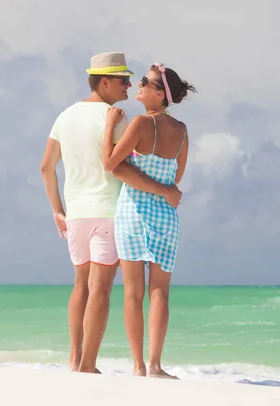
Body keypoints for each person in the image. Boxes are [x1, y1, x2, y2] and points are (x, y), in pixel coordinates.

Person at [40, 52, 182, 374]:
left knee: (80, 286)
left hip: (75, 213)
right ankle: (88, 365)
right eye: (123, 80)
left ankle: (75, 359)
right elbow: (122, 167)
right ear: (104, 82)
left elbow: (46, 166)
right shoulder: (116, 118)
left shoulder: (65, 116)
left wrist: (57, 211)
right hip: (108, 211)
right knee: (100, 289)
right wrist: (164, 190)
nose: (130, 85)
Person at [102, 63, 196, 378]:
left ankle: (138, 366)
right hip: (167, 216)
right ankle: (156, 365)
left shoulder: (141, 123)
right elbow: (177, 177)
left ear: (159, 94)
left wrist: (107, 128)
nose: (138, 84)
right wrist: (163, 189)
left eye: (146, 81)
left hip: (134, 212)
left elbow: (111, 164)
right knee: (160, 293)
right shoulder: (182, 130)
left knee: (132, 292)